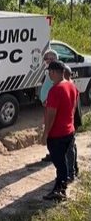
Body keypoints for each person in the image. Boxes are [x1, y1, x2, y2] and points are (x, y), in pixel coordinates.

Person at [41, 61, 78, 201]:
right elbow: (73, 107)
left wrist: (45, 134)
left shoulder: (55, 90)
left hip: (57, 134)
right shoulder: (71, 85)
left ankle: (60, 190)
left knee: (60, 163)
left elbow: (51, 115)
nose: (49, 74)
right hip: (69, 131)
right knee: (64, 161)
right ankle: (61, 186)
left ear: (54, 72)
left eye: (49, 72)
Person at [63, 64, 82, 182]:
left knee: (69, 148)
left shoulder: (69, 86)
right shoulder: (70, 85)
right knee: (71, 146)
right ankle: (74, 168)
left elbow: (71, 108)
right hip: (73, 121)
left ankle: (71, 172)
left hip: (71, 121)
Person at [39, 50, 58, 162]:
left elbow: (54, 88)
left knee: (52, 128)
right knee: (49, 127)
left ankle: (54, 153)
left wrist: (47, 100)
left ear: (53, 59)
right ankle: (51, 152)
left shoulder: (56, 72)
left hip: (51, 105)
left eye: (47, 59)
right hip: (47, 104)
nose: (45, 61)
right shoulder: (49, 72)